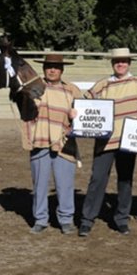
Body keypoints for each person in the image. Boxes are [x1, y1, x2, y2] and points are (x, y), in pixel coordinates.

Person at [78, 47, 137, 237]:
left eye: (124, 61)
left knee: (125, 180)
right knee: (97, 179)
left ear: (129, 63)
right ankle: (87, 219)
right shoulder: (102, 85)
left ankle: (122, 218)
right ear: (112, 64)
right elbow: (85, 105)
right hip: (106, 141)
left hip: (129, 140)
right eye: (117, 61)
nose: (120, 64)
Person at [22, 54, 82, 235]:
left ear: (62, 70)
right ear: (44, 69)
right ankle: (40, 219)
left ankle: (66, 219)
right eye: (49, 66)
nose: (52, 70)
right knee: (39, 183)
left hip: (65, 143)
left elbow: (86, 115)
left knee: (65, 184)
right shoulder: (32, 89)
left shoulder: (72, 90)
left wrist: (76, 119)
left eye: (56, 67)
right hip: (40, 141)